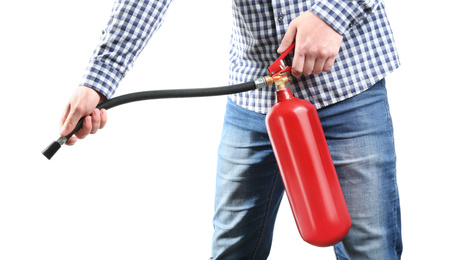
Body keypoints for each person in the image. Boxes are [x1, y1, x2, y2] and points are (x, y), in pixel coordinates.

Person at [59, 0, 403, 259]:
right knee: (232, 249)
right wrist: (97, 82)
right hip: (254, 103)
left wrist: (333, 12)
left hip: (351, 84)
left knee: (372, 251)